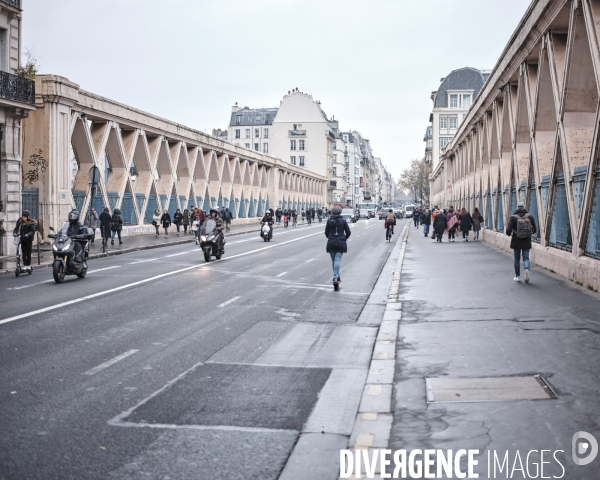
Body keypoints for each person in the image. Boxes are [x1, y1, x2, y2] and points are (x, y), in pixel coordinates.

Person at [506, 202, 537, 283]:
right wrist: (527, 234)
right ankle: (526, 269)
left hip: (516, 241)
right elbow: (535, 230)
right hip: (526, 240)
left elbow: (508, 231)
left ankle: (517, 276)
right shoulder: (529, 217)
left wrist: (510, 234)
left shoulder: (513, 217)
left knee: (516, 259)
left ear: (517, 208)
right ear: (524, 207)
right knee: (526, 258)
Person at [325, 206, 351, 287]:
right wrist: (344, 238)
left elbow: (326, 232)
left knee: (333, 260)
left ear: (332, 212)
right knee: (338, 260)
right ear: (340, 212)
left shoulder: (329, 220)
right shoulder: (343, 220)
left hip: (331, 241)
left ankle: (335, 276)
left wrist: (330, 237)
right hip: (340, 241)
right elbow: (348, 232)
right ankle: (336, 276)